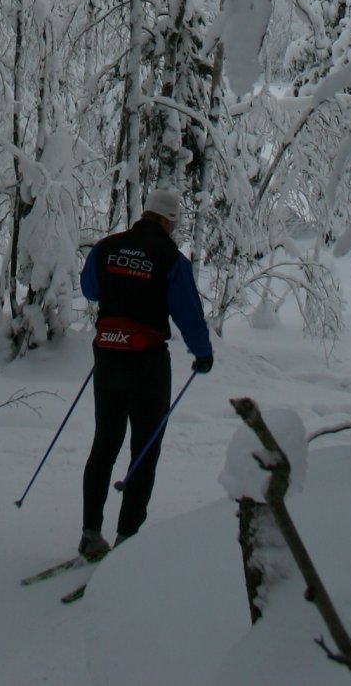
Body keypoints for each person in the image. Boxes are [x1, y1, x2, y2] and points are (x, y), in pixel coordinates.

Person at [77, 185, 213, 561]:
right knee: (144, 449)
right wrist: (203, 354)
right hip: (147, 363)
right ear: (170, 220)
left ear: (145, 213)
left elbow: (89, 289)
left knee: (104, 444)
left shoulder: (108, 247)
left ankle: (90, 534)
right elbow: (188, 314)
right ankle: (127, 540)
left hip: (107, 356)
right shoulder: (171, 259)